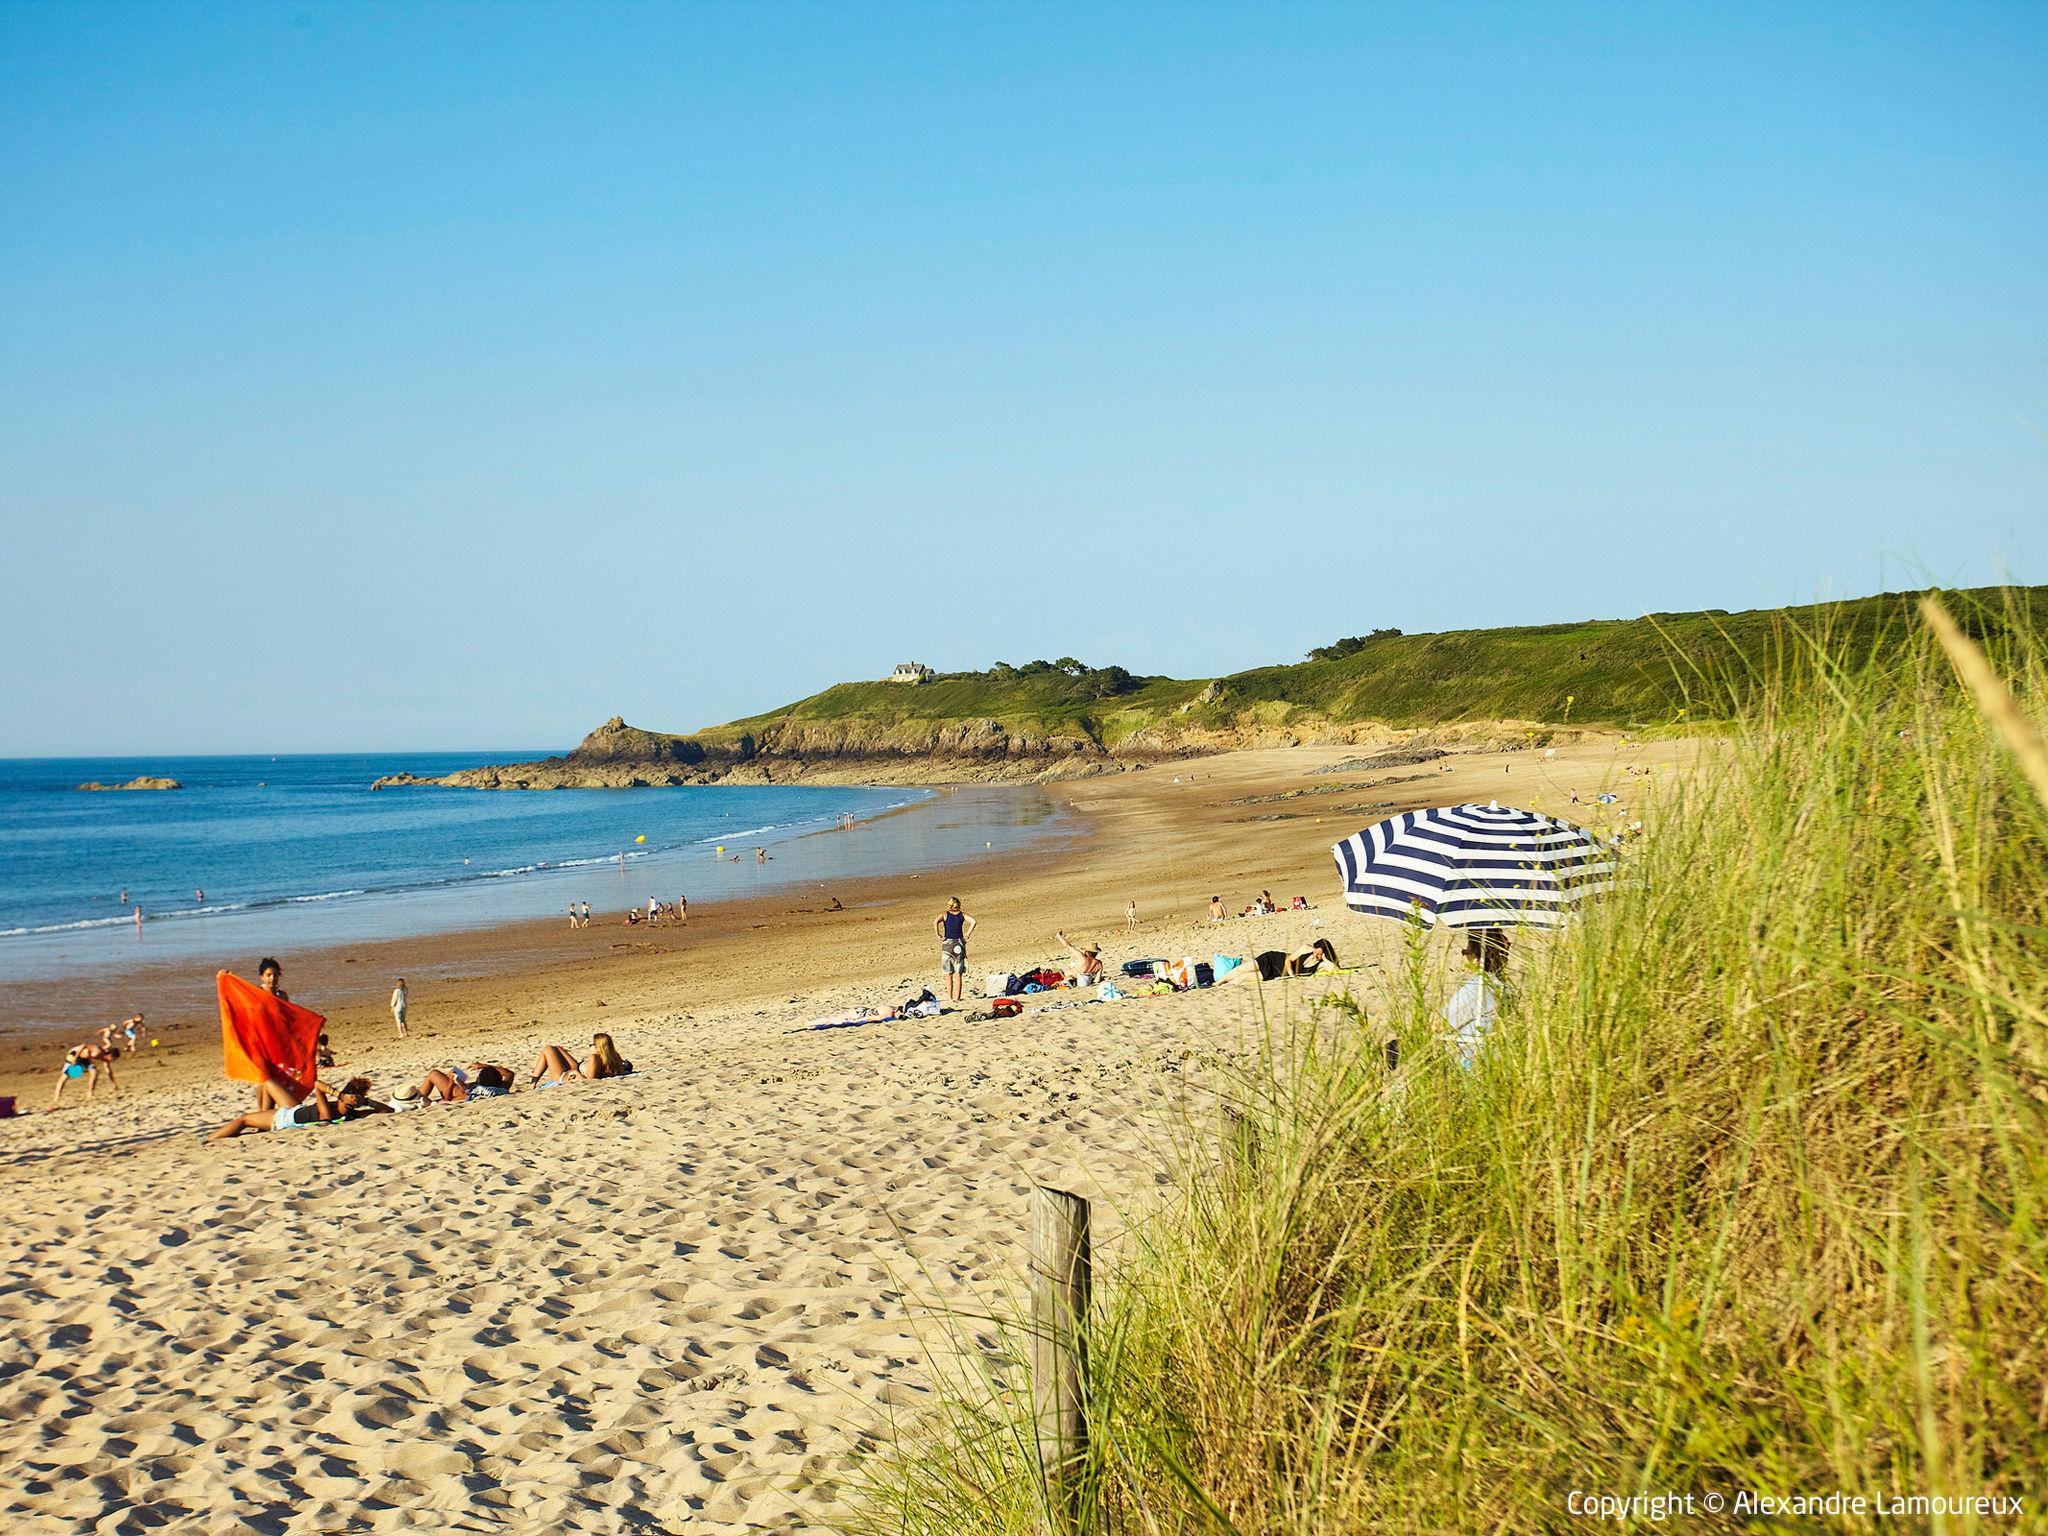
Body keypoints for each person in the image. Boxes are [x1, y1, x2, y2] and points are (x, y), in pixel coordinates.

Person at [209, 1075, 387, 1139]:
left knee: (244, 1119)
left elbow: (388, 1111)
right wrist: (345, 1096)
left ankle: (211, 1139)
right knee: (268, 1083)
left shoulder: (330, 1112)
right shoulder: (351, 1113)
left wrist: (362, 1101)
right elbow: (316, 1084)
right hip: (296, 1108)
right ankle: (261, 1126)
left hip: (282, 1118)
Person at [1445, 929, 1509, 1068]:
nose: (1464, 956)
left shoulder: (1477, 987)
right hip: (1493, 1059)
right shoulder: (1504, 987)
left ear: (1478, 959)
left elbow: (1443, 1023)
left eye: (1466, 952)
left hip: (1465, 1061)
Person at [50, 1041, 121, 1107]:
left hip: (84, 1059)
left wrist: (114, 1084)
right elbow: (84, 1044)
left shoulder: (104, 1058)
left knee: (94, 1072)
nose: (112, 1061)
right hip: (74, 1053)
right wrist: (75, 1058)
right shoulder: (98, 1051)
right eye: (113, 1059)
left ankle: (90, 1095)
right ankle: (56, 1099)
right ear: (110, 1056)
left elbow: (108, 1071)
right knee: (65, 1077)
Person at [934, 897, 976, 1003]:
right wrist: (968, 933)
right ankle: (957, 997)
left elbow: (935, 922)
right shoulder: (962, 915)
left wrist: (938, 934)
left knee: (948, 973)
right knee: (958, 972)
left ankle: (950, 997)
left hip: (947, 944)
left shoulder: (945, 914)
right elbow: (973, 922)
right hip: (959, 944)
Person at [417, 1062, 514, 1103]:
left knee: (434, 1074)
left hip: (452, 1091)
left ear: (479, 1080)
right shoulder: (503, 1087)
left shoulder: (473, 1092)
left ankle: (414, 1098)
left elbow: (447, 1099)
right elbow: (509, 1074)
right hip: (459, 1087)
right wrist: (483, 1066)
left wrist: (451, 1082)